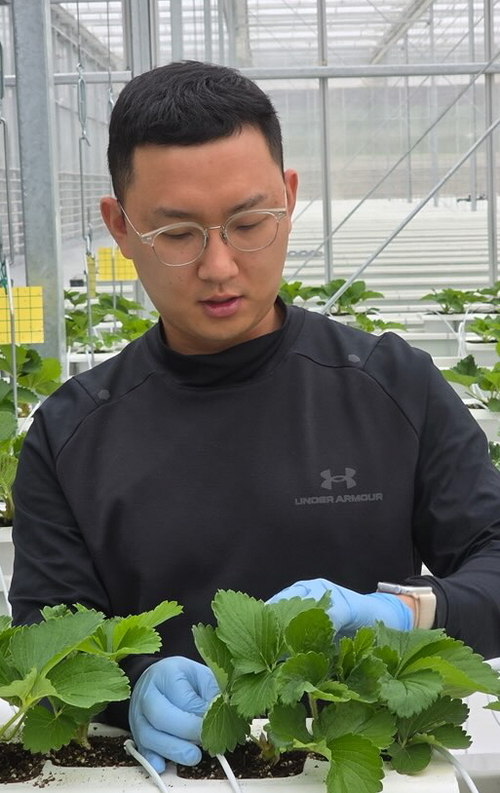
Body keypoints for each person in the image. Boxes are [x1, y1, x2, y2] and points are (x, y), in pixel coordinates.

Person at [10, 60, 500, 774]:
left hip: (353, 766)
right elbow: (48, 638)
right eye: (177, 234)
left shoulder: (395, 386)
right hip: (165, 773)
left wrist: (408, 613)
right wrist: (127, 696)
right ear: (119, 226)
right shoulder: (69, 436)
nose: (220, 266)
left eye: (249, 223)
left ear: (290, 197)